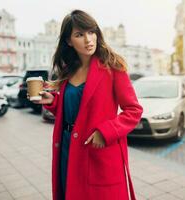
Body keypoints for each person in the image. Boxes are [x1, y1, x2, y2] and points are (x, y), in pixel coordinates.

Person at [29, 10, 143, 200]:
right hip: (68, 148)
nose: (88, 39)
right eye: (79, 35)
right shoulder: (69, 69)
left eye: (91, 32)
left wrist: (106, 132)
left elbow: (134, 111)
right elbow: (78, 110)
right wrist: (54, 102)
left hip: (97, 152)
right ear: (68, 41)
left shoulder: (112, 66)